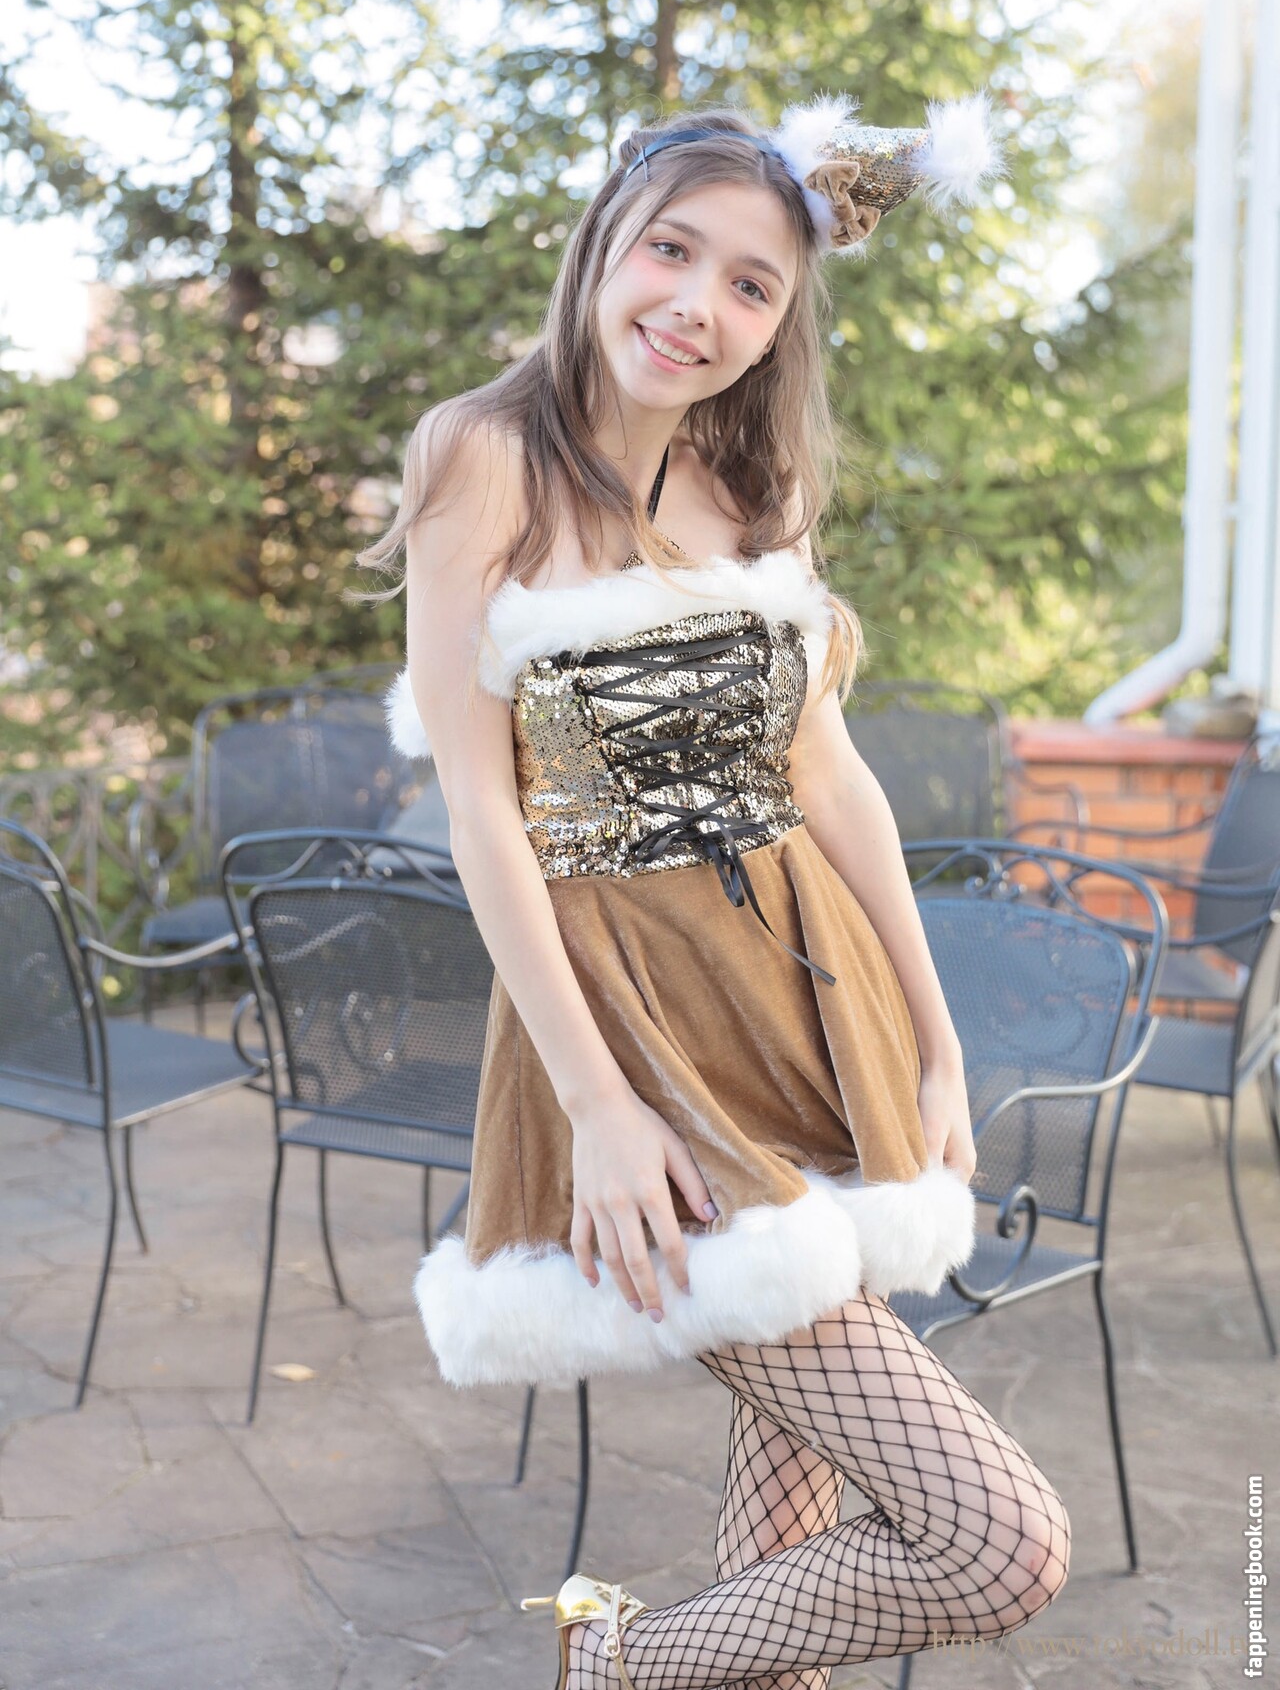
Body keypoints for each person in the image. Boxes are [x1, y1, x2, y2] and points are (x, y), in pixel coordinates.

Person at [359, 92, 1071, 1688]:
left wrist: (939, 1042)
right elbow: (481, 807)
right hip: (639, 1031)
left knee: (793, 1537)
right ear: (604, 244)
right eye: (673, 251)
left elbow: (832, 777)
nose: (699, 304)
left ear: (781, 321)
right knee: (996, 1542)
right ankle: (610, 1668)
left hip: (812, 1004)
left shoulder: (748, 487)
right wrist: (599, 1107)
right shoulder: (484, 459)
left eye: (751, 283)